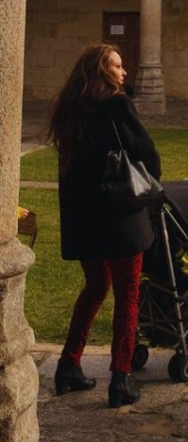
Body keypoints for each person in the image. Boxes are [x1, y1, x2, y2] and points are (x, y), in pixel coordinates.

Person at [46, 43, 161, 408]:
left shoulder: (69, 110)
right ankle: (121, 378)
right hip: (117, 214)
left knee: (96, 285)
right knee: (128, 293)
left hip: (84, 217)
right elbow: (147, 153)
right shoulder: (116, 104)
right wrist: (151, 187)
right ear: (101, 71)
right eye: (118, 66)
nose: (124, 73)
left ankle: (68, 364)